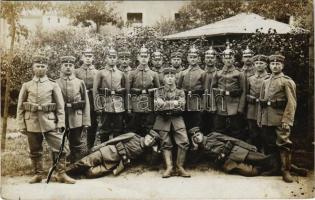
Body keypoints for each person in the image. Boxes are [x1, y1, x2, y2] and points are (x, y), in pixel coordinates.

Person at [16, 54, 75, 184]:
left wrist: (60, 122)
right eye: (38, 66)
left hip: (50, 121)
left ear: (47, 68)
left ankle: (61, 174)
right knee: (35, 149)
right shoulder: (26, 85)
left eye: (43, 66)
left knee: (61, 147)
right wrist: (21, 124)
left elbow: (60, 107)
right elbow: (20, 107)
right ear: (33, 67)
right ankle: (38, 174)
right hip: (31, 121)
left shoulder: (53, 85)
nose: (40, 69)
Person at [257, 53, 297, 183]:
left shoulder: (286, 81)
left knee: (283, 144)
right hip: (267, 118)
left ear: (282, 65)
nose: (274, 66)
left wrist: (287, 120)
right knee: (269, 143)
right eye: (272, 64)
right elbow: (262, 101)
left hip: (280, 118)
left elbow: (292, 103)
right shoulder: (266, 81)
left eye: (277, 64)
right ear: (269, 65)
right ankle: (275, 168)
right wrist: (260, 118)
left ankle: (286, 170)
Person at [66, 130, 160, 178]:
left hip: (115, 163)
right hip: (109, 151)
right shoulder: (133, 136)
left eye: (152, 141)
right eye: (150, 137)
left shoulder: (145, 151)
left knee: (91, 173)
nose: (150, 140)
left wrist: (155, 152)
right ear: (147, 135)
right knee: (85, 162)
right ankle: (64, 172)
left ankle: (77, 173)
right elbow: (115, 139)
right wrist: (99, 146)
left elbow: (150, 163)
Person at [189, 127, 279, 176]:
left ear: (202, 134)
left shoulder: (212, 136)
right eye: (194, 138)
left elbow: (232, 140)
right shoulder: (199, 150)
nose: (197, 138)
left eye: (198, 135)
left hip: (235, 151)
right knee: (251, 172)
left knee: (261, 158)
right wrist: (195, 147)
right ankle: (265, 168)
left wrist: (248, 146)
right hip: (228, 163)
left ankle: (278, 165)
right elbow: (194, 161)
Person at [153, 67, 190, 178]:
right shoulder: (158, 91)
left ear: (175, 78)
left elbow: (182, 106)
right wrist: (174, 103)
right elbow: (157, 106)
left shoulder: (180, 91)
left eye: (172, 76)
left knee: (184, 141)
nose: (170, 79)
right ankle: (169, 167)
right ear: (163, 78)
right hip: (162, 119)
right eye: (167, 76)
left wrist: (165, 104)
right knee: (165, 143)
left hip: (177, 118)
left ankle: (180, 167)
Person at [56, 55, 91, 163]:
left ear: (73, 67)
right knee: (60, 142)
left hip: (76, 116)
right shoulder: (56, 83)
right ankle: (60, 165)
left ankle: (76, 164)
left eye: (70, 65)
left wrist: (86, 121)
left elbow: (86, 102)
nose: (68, 67)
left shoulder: (79, 82)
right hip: (61, 117)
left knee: (76, 142)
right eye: (65, 65)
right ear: (61, 67)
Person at [211, 43, 246, 140]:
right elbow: (212, 90)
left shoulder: (239, 73)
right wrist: (213, 106)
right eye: (226, 58)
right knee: (219, 130)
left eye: (230, 58)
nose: (228, 60)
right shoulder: (217, 73)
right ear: (222, 60)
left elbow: (243, 91)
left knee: (237, 130)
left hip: (235, 106)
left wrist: (241, 108)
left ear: (234, 59)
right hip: (220, 106)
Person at [93, 46, 126, 142]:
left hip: (118, 105)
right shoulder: (100, 73)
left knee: (118, 129)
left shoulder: (121, 73)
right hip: (105, 104)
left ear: (117, 58)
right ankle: (104, 149)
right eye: (110, 57)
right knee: (104, 129)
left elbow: (124, 90)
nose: (112, 59)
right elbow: (95, 90)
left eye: (114, 57)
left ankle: (116, 151)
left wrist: (125, 105)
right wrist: (97, 106)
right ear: (106, 58)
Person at [128, 45, 160, 136]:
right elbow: (128, 92)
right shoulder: (132, 73)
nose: (143, 59)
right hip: (136, 105)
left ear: (149, 57)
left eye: (145, 56)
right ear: (138, 57)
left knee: (148, 128)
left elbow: (158, 92)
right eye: (142, 56)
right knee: (134, 129)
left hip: (149, 106)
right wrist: (129, 107)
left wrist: (156, 107)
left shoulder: (154, 74)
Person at [178, 45, 206, 130]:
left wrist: (203, 106)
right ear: (187, 58)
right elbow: (179, 89)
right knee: (185, 124)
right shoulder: (183, 73)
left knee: (197, 125)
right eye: (191, 57)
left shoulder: (203, 73)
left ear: (198, 58)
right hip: (185, 103)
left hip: (197, 103)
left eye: (195, 57)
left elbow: (205, 90)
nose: (193, 59)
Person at [75, 48, 98, 150]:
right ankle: (76, 147)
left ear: (93, 58)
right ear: (82, 57)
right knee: (78, 122)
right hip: (80, 99)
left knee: (92, 123)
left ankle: (90, 147)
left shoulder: (97, 72)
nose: (88, 58)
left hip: (92, 100)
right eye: (86, 56)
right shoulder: (76, 71)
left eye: (90, 56)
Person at [246, 54, 269, 152]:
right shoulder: (250, 78)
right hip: (252, 110)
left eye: (261, 63)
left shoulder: (269, 78)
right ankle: (256, 156)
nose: (259, 65)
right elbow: (245, 93)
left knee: (265, 134)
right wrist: (249, 98)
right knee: (253, 133)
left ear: (266, 65)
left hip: (264, 110)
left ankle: (266, 156)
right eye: (256, 63)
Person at [201, 46, 218, 133]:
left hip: (216, 105)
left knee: (215, 127)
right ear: (204, 59)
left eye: (212, 58)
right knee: (202, 126)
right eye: (207, 58)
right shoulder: (201, 73)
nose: (210, 60)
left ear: (215, 59)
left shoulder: (219, 73)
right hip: (202, 104)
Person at [117, 46, 133, 132]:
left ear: (129, 60)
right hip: (117, 101)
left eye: (126, 59)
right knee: (118, 125)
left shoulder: (133, 72)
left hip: (130, 101)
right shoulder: (116, 72)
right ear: (119, 60)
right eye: (122, 59)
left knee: (130, 124)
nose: (124, 61)